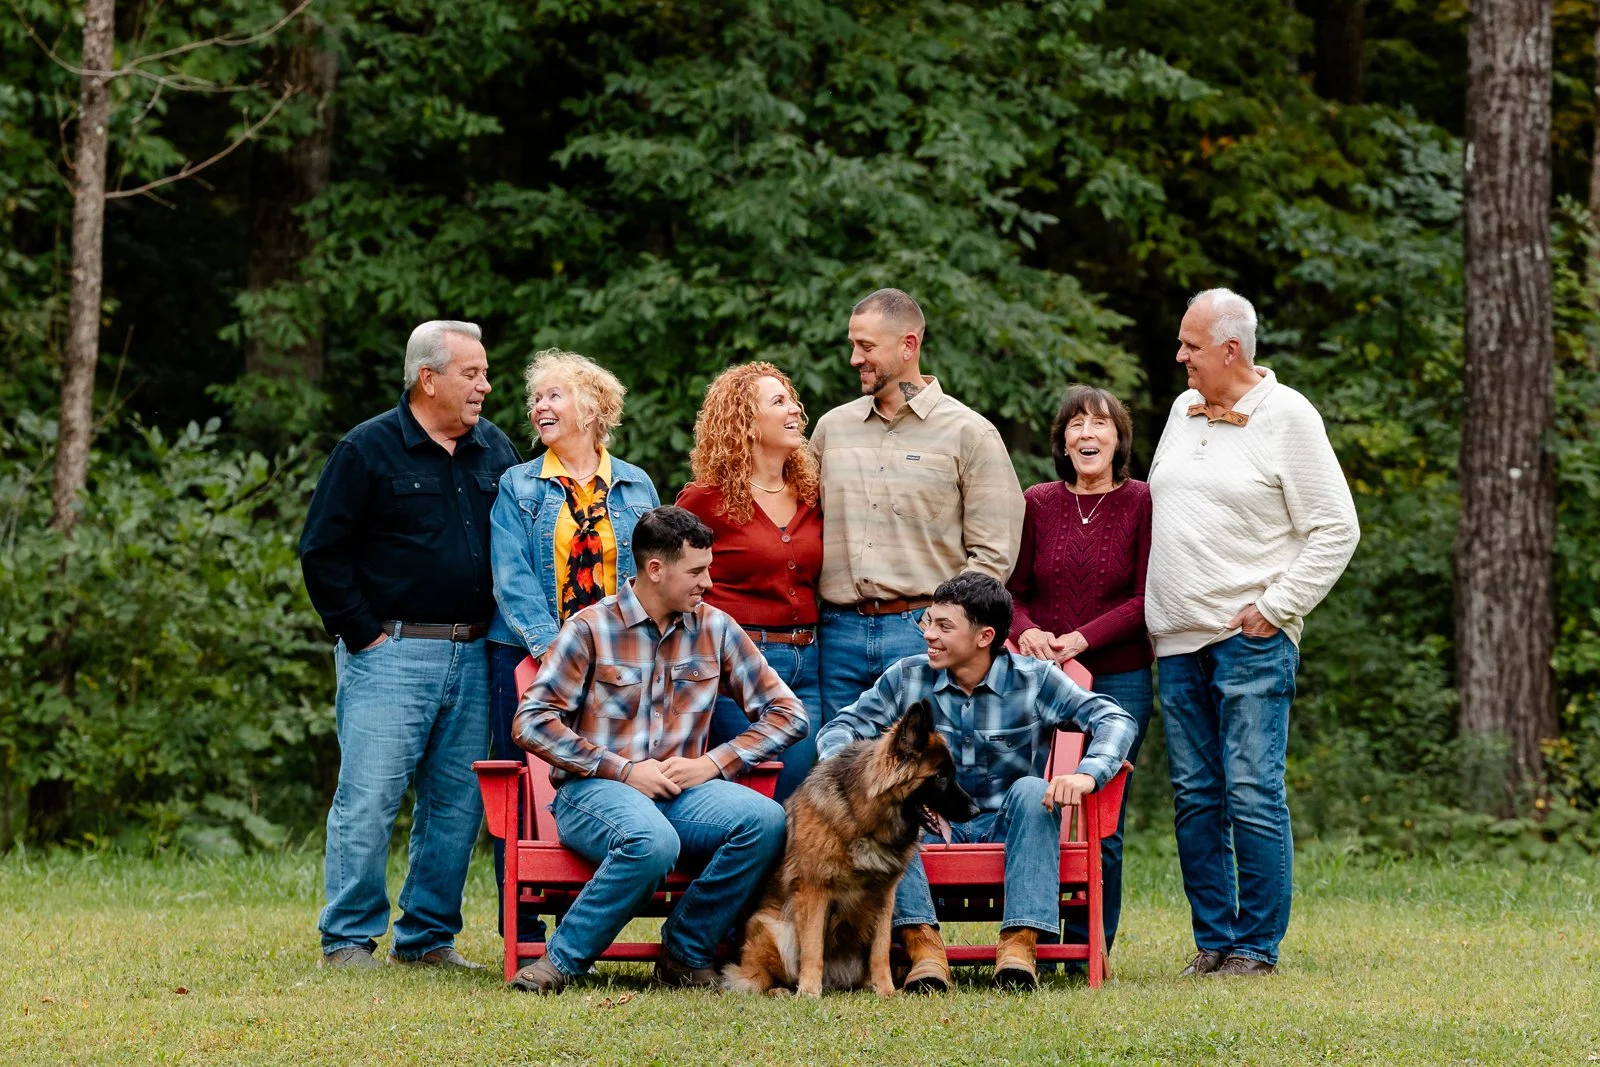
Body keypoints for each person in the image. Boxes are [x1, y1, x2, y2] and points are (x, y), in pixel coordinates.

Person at [1147, 288, 1359, 978]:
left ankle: (1255, 945)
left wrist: (1278, 604)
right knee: (1196, 795)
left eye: (1190, 344)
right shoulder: (1182, 411)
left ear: (1230, 349)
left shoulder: (1289, 415)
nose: (1178, 355)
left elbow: (1337, 528)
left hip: (1249, 639)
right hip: (1177, 638)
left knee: (1250, 789)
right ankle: (1214, 940)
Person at [507, 506, 806, 994]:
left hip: (681, 794)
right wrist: (624, 770)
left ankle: (685, 953)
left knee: (767, 821)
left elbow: (788, 713)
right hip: (594, 791)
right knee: (652, 842)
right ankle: (560, 962)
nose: (707, 582)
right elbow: (531, 722)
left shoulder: (716, 628)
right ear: (655, 569)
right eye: (696, 571)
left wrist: (713, 763)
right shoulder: (590, 628)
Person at [299, 319, 520, 970]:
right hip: (389, 651)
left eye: (484, 372)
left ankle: (426, 936)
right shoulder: (368, 449)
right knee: (369, 796)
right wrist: (363, 633)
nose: (485, 385)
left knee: (456, 803)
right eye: (471, 373)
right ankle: (347, 937)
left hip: (477, 650)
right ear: (429, 378)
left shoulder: (494, 449)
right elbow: (322, 550)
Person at [815, 572, 1138, 992]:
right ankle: (923, 950)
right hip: (926, 830)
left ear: (985, 636)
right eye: (928, 621)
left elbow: (1114, 718)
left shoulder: (1034, 680)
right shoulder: (907, 677)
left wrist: (1087, 774)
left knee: (1031, 788)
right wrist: (859, 773)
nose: (928, 634)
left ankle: (1019, 948)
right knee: (894, 804)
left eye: (944, 626)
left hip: (1010, 828)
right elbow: (841, 727)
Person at [487, 350, 659, 942]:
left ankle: (597, 908)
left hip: (619, 663)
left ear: (592, 408)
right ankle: (525, 924)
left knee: (608, 770)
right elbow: (510, 578)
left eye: (554, 395)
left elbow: (649, 577)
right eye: (537, 399)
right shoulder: (519, 485)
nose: (540, 407)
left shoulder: (635, 483)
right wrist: (559, 649)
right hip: (530, 656)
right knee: (525, 781)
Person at [810, 288, 1025, 727]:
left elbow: (993, 553)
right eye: (853, 345)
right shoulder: (832, 429)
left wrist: (943, 625)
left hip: (922, 633)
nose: (854, 358)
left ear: (908, 345)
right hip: (837, 636)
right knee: (842, 778)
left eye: (866, 346)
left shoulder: (971, 434)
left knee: (922, 777)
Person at [1007, 384, 1152, 958]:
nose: (1087, 434)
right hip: (1041, 680)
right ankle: (1030, 934)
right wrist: (1029, 633)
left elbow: (1146, 598)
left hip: (1118, 675)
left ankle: (1092, 944)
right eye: (1075, 425)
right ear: (1062, 442)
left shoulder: (1141, 500)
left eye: (1100, 424)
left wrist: (1083, 638)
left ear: (1119, 440)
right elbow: (1013, 593)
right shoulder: (1038, 501)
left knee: (1102, 812)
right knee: (1038, 798)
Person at [676, 362, 822, 802]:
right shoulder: (705, 498)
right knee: (760, 797)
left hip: (809, 663)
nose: (794, 408)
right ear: (746, 421)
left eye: (792, 399)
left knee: (798, 794)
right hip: (736, 666)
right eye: (778, 401)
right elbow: (668, 578)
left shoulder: (812, 493)